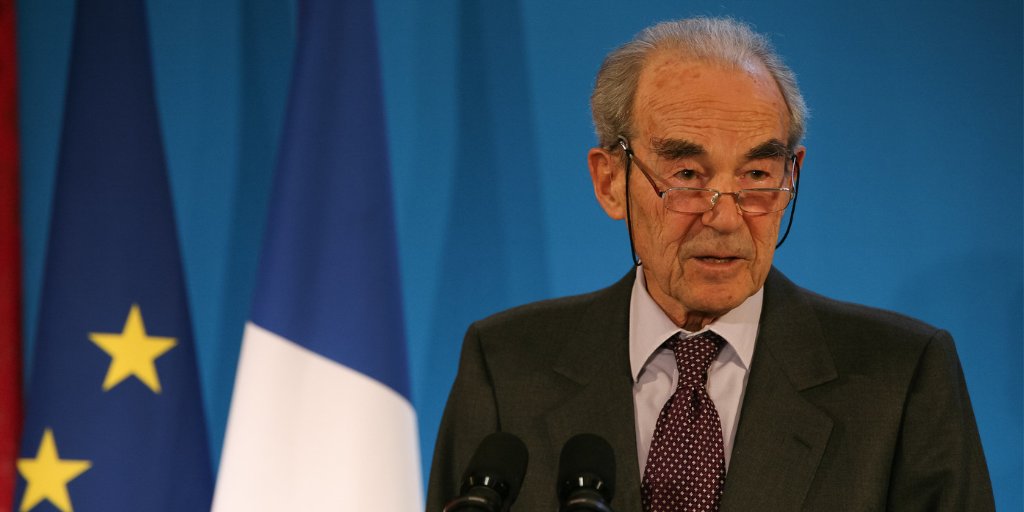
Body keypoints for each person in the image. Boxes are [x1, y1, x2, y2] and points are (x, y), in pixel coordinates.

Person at [426, 17, 994, 512]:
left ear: (791, 175)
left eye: (756, 177)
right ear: (609, 181)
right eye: (688, 176)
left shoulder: (899, 379)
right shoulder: (507, 367)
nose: (725, 219)